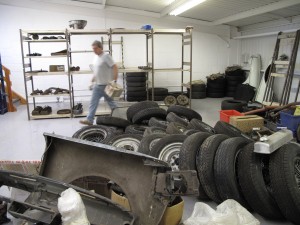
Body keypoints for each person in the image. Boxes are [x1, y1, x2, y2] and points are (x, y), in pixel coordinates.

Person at [80, 40, 118, 125]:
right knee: (93, 102)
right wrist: (91, 81)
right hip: (98, 85)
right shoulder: (96, 57)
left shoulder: (106, 56)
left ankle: (120, 117)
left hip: (106, 85)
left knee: (112, 103)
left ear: (100, 48)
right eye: (93, 48)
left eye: (95, 48)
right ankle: (89, 120)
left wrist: (114, 80)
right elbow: (96, 71)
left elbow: (115, 67)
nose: (94, 50)